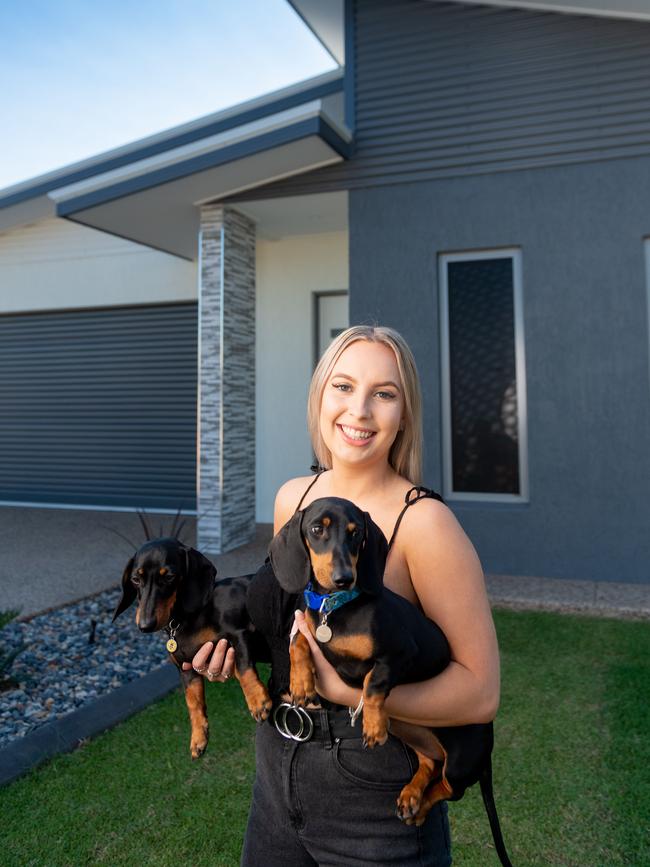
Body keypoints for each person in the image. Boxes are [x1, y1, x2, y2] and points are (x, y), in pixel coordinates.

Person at [184, 325, 500, 866]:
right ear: (320, 396)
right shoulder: (295, 499)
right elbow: (290, 618)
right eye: (343, 386)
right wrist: (229, 654)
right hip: (276, 786)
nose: (359, 411)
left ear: (404, 412)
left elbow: (480, 693)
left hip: (374, 806)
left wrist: (347, 691)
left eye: (384, 393)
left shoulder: (425, 525)